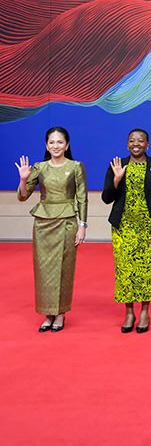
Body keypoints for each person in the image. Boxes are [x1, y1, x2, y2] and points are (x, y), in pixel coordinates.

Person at [16, 126, 87, 332]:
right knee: (43, 269)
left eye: (60, 142)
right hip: (43, 223)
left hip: (67, 222)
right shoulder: (39, 167)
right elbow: (22, 196)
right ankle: (47, 314)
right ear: (46, 145)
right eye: (52, 142)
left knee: (64, 268)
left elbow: (82, 198)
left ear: (67, 145)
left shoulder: (76, 166)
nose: (56, 146)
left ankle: (61, 314)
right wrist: (23, 178)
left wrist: (82, 226)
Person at [102, 128, 151, 333]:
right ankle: (129, 311)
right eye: (132, 141)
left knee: (148, 270)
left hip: (150, 227)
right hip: (124, 228)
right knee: (126, 271)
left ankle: (144, 312)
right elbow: (106, 198)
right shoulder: (117, 165)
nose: (136, 144)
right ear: (127, 144)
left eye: (140, 141)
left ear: (147, 145)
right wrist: (116, 180)